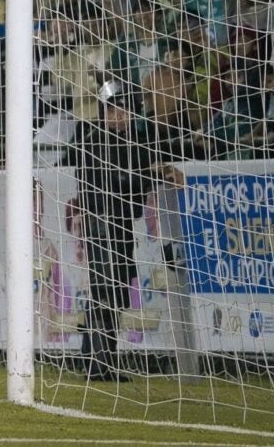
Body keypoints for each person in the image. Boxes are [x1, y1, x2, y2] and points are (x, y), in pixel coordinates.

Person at [70, 80, 174, 381]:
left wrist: (156, 173)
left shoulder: (136, 143)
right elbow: (111, 185)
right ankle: (98, 363)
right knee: (105, 290)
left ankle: (97, 359)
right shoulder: (93, 142)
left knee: (116, 293)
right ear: (103, 113)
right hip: (102, 225)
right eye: (112, 110)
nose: (118, 115)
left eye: (123, 110)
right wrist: (141, 179)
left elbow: (143, 176)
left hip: (122, 226)